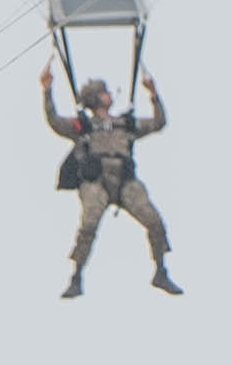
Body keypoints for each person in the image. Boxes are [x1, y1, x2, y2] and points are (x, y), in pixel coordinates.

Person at [43, 63, 176, 298]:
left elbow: (159, 123)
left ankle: (161, 271)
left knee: (154, 220)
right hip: (96, 182)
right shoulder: (83, 126)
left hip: (124, 181)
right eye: (104, 92)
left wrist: (154, 94)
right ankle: (76, 276)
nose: (109, 95)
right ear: (96, 98)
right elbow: (55, 121)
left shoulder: (125, 124)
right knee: (89, 224)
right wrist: (47, 91)